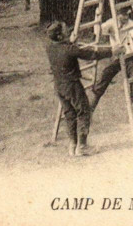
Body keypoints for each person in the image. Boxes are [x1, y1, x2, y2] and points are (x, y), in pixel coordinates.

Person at [46, 21, 122, 156]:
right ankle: (82, 146)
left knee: (69, 114)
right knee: (84, 110)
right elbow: (90, 54)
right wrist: (112, 51)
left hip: (59, 86)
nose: (68, 30)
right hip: (71, 86)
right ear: (59, 36)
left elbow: (66, 48)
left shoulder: (50, 47)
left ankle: (73, 145)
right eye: (65, 30)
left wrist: (70, 42)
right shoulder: (69, 49)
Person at [86, 13, 133, 118]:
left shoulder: (132, 24)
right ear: (117, 15)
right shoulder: (111, 23)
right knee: (105, 75)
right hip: (118, 57)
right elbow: (98, 31)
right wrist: (97, 16)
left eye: (127, 15)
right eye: (122, 15)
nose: (125, 18)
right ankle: (90, 109)